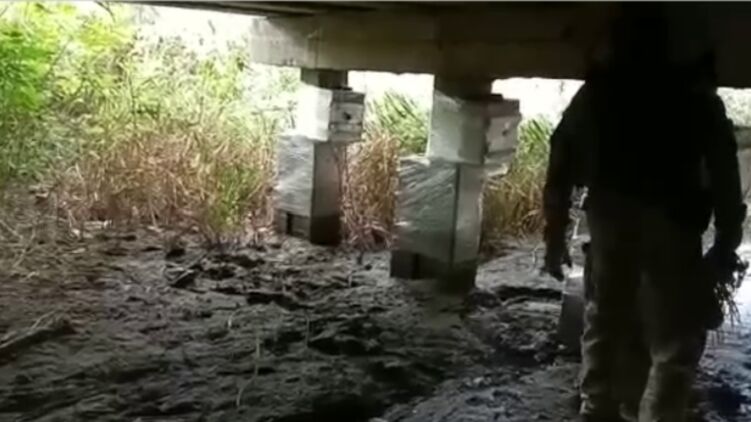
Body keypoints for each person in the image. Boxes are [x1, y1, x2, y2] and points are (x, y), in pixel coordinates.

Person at [542, 5, 746, 422]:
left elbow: (560, 158)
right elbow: (725, 172)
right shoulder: (696, 97)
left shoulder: (598, 93)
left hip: (610, 219)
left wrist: (555, 236)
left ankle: (596, 408)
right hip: (673, 222)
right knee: (674, 340)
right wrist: (726, 241)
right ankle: (655, 414)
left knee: (606, 320)